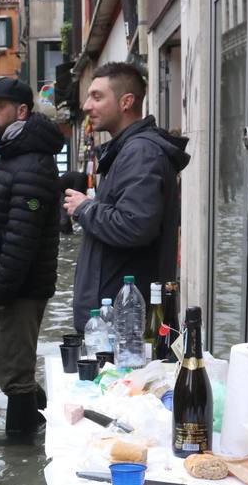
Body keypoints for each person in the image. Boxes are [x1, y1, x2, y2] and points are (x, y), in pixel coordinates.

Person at [63, 63, 190, 333]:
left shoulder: (140, 153)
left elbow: (135, 225)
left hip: (126, 328)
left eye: (97, 97)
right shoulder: (129, 151)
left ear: (126, 102)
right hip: (119, 322)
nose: (86, 106)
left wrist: (85, 209)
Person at [0, 77, 65, 442]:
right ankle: (46, 414)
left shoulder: (29, 164)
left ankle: (20, 444)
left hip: (17, 290)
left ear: (21, 111)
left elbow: (21, 242)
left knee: (15, 374)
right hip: (6, 285)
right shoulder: (15, 156)